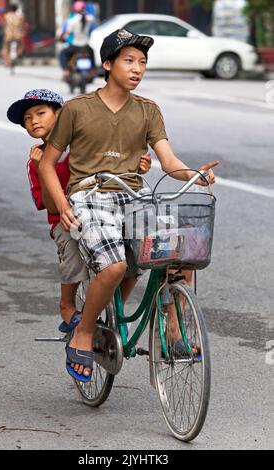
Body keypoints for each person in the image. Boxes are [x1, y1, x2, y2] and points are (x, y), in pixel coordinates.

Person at [39, 29, 219, 382]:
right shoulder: (77, 109)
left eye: (142, 63)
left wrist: (194, 175)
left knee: (181, 253)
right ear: (107, 64)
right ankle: (85, 331)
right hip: (91, 195)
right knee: (114, 267)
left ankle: (173, 331)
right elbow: (48, 164)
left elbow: (168, 162)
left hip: (134, 196)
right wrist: (62, 205)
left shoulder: (149, 111)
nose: (137, 69)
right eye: (129, 61)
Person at [7, 88, 152, 334]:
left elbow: (115, 174)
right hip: (66, 219)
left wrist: (139, 167)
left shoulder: (85, 144)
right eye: (28, 119)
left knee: (135, 256)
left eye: (40, 113)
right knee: (72, 252)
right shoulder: (37, 159)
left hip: (103, 209)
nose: (33, 121)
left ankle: (113, 310)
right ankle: (67, 305)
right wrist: (41, 167)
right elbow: (50, 206)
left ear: (62, 115)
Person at [59, 1, 95, 81]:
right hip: (85, 46)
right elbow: (92, 24)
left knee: (62, 53)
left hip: (75, 46)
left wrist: (62, 38)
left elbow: (67, 33)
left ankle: (66, 71)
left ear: (74, 10)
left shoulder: (72, 20)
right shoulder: (89, 18)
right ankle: (92, 70)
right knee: (92, 52)